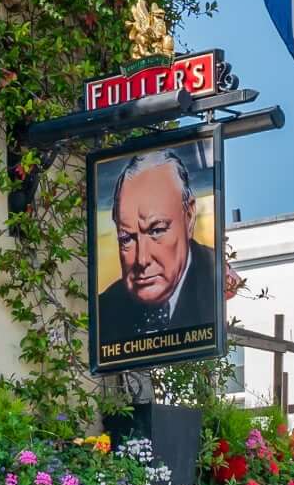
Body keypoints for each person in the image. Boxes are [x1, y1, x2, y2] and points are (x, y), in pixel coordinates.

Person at [91, 146, 214, 351]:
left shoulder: (214, 283)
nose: (142, 259)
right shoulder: (105, 311)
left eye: (156, 231)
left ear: (189, 216)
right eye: (127, 238)